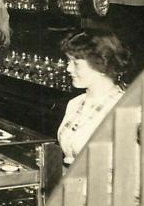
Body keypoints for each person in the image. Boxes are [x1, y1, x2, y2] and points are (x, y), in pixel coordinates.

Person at [57, 30, 133, 165]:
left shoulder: (124, 109)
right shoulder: (75, 103)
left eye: (76, 63)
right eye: (68, 61)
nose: (68, 68)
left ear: (101, 66)